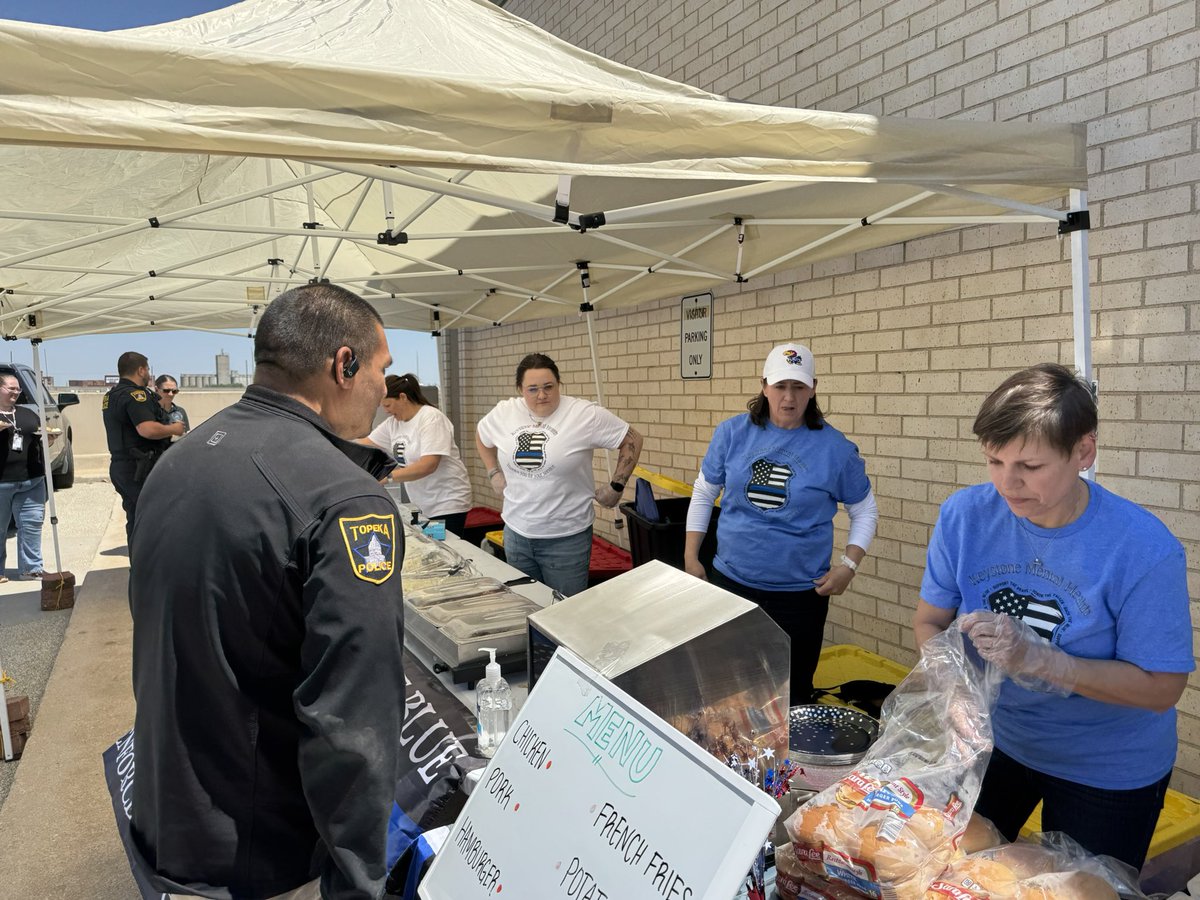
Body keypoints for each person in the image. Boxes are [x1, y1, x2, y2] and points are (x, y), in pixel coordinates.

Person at [129, 284, 405, 899]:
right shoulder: (343, 497)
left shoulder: (184, 455)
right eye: (382, 369)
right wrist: (358, 885)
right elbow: (353, 721)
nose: (386, 388)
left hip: (167, 812)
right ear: (344, 364)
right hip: (261, 851)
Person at [913, 363, 1192, 871]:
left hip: (1107, 767)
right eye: (994, 462)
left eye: (1030, 466)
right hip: (997, 741)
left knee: (1084, 886)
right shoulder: (965, 516)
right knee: (951, 871)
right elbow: (930, 620)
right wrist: (954, 688)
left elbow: (1162, 688)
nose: (1007, 483)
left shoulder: (1142, 549)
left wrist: (1047, 662)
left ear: (1083, 451)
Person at [684, 343, 878, 707]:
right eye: (781, 386)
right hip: (732, 583)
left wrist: (849, 566)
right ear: (764, 386)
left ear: (814, 388)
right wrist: (691, 556)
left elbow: (865, 510)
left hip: (799, 597)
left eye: (799, 387)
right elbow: (704, 492)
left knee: (791, 695)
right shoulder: (732, 434)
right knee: (727, 689)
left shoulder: (835, 449)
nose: (789, 397)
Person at [476, 352, 643, 596]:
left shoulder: (583, 414)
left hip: (566, 538)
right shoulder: (504, 412)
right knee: (527, 606)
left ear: (558, 384)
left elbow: (632, 439)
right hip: (516, 534)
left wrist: (616, 486)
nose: (541, 395)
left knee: (565, 613)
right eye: (532, 389)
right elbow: (482, 435)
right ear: (520, 389)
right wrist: (493, 472)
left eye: (548, 387)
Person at [363, 373, 473, 537]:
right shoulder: (394, 423)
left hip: (447, 503)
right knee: (429, 543)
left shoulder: (431, 418)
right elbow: (363, 443)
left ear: (402, 397)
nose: (386, 411)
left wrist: (387, 477)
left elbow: (428, 465)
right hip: (423, 503)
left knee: (443, 548)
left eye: (388, 405)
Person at [102, 352, 184, 551]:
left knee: (136, 518)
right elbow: (146, 429)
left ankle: (139, 568)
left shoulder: (111, 395)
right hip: (140, 467)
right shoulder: (136, 395)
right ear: (141, 370)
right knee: (152, 520)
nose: (148, 373)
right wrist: (174, 429)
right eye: (147, 369)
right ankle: (152, 570)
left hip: (124, 466)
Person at [0, 373, 45, 582]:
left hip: (32, 480)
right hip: (2, 482)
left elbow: (38, 438)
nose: (16, 393)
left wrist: (49, 439)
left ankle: (31, 568)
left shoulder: (27, 414)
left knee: (31, 524)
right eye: (11, 388)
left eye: (18, 389)